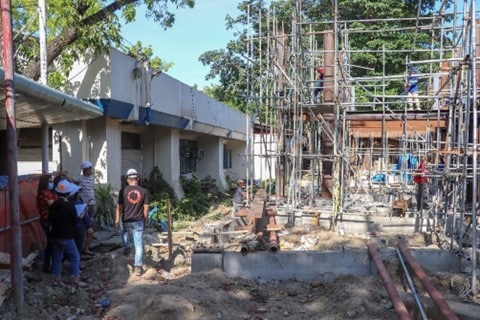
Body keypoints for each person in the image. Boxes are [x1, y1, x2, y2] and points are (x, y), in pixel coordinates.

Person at [48, 179, 85, 286]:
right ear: (69, 193)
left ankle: (56, 278)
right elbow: (76, 220)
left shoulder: (53, 205)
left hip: (54, 236)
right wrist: (81, 216)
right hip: (66, 236)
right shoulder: (69, 206)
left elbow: (50, 219)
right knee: (75, 256)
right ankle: (75, 278)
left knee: (57, 256)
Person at [114, 169, 149, 276]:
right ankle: (138, 267)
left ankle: (128, 247)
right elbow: (146, 209)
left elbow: (119, 208)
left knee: (125, 233)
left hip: (126, 220)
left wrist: (116, 221)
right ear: (137, 179)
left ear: (127, 179)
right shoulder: (144, 191)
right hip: (138, 221)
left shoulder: (122, 191)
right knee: (138, 245)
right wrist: (145, 220)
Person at [73, 161, 96, 255]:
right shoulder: (79, 178)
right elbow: (71, 180)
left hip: (92, 204)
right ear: (85, 170)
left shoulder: (91, 178)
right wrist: (63, 174)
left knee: (91, 223)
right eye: (90, 168)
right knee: (86, 226)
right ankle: (82, 247)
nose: (91, 170)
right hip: (84, 205)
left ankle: (87, 246)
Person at [37, 174, 57, 273]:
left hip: (49, 220)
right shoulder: (44, 193)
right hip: (47, 220)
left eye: (52, 181)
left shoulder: (49, 192)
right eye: (49, 181)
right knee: (51, 243)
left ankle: (49, 264)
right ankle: (48, 265)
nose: (51, 183)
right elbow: (53, 206)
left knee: (51, 243)